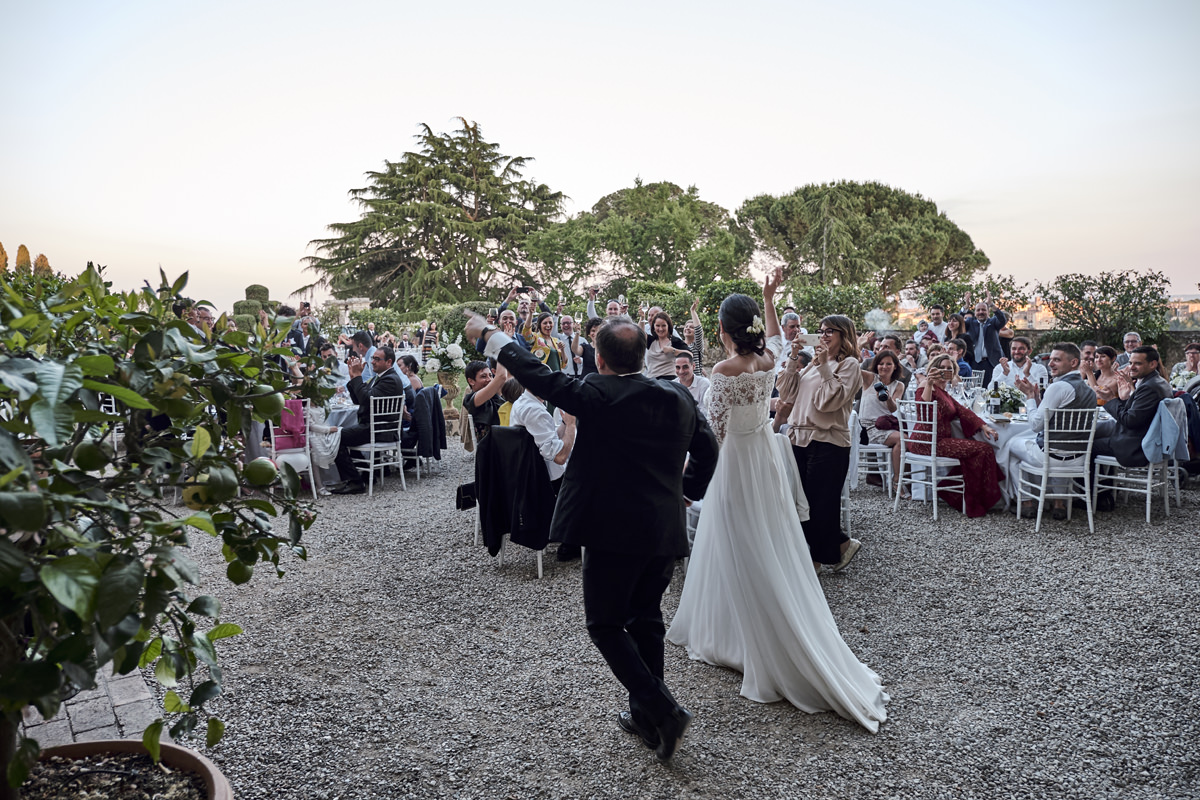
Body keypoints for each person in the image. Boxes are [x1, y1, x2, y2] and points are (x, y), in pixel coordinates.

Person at [464, 310, 719, 762]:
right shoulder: (677, 396)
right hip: (662, 528)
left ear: (599, 359)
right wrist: (689, 491)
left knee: (604, 624)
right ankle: (645, 716)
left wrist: (490, 334)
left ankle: (662, 709)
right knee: (645, 618)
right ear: (641, 355)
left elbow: (536, 374)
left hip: (610, 531)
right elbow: (708, 447)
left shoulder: (595, 393)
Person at [665, 268, 888, 733]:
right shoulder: (767, 360)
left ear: (723, 329)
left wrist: (696, 468)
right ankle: (739, 623)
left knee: (733, 537)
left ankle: (745, 634)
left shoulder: (722, 370)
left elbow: (716, 430)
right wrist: (771, 295)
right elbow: (771, 338)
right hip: (764, 455)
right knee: (762, 534)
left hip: (737, 459)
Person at [775, 314, 863, 571]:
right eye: (820, 331)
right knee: (801, 503)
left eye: (829, 331)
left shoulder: (850, 365)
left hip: (828, 440)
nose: (823, 336)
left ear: (843, 335)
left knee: (820, 504)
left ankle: (816, 561)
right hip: (798, 438)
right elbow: (787, 391)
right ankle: (840, 546)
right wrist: (793, 357)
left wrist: (825, 365)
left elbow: (830, 402)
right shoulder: (812, 364)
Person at [1009, 343, 1097, 519]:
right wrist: (1038, 398)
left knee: (1011, 445)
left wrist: (1029, 398)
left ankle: (1026, 501)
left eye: (1057, 360)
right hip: (1079, 458)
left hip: (1053, 458)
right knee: (1055, 445)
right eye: (1050, 359)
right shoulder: (1088, 389)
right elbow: (1054, 415)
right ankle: (1059, 502)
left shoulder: (1058, 387)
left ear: (1073, 363)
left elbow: (1035, 425)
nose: (1050, 364)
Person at [910, 354, 1002, 517]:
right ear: (933, 369)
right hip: (928, 441)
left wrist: (984, 426)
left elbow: (962, 410)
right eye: (942, 367)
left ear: (954, 372)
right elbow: (923, 411)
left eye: (949, 368)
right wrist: (929, 383)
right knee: (983, 450)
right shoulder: (926, 385)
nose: (945, 371)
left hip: (940, 439)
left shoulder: (944, 391)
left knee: (981, 451)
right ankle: (965, 497)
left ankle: (956, 491)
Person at [329, 347, 406, 495]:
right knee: (342, 435)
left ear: (389, 362)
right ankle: (363, 475)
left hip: (381, 430)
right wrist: (353, 378)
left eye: (377, 359)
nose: (372, 362)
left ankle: (355, 481)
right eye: (372, 358)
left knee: (336, 436)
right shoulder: (381, 377)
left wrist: (358, 376)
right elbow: (360, 399)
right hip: (374, 428)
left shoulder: (389, 379)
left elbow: (366, 399)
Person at [1092, 345, 1172, 473]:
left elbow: (1130, 421)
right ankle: (1108, 490)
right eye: (1130, 363)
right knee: (1101, 438)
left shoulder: (1149, 387)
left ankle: (1096, 492)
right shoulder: (1159, 382)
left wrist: (1111, 399)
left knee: (1090, 445)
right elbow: (1138, 412)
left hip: (1137, 448)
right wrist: (1125, 398)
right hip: (1148, 441)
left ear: (1153, 364)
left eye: (1138, 363)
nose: (1131, 367)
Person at [859, 351, 906, 494]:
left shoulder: (899, 385)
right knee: (901, 439)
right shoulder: (870, 379)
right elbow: (853, 368)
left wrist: (887, 398)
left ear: (895, 367)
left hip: (885, 425)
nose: (884, 367)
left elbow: (893, 409)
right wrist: (858, 347)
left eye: (888, 364)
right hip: (867, 428)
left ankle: (900, 480)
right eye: (881, 363)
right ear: (876, 365)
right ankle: (897, 481)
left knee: (906, 438)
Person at [961, 291, 1007, 385]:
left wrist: (991, 304)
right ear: (974, 312)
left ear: (988, 312)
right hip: (973, 363)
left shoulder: (993, 322)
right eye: (978, 310)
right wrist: (966, 306)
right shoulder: (970, 322)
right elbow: (957, 321)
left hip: (990, 363)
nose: (981, 312)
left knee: (990, 389)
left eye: (983, 310)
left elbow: (1002, 319)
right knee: (972, 389)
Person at [462, 360, 507, 444]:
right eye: (483, 376)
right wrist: (501, 350)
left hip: (505, 440)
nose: (489, 379)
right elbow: (501, 376)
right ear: (471, 381)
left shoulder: (496, 394)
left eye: (490, 375)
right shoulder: (473, 399)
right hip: (490, 448)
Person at [644, 311, 689, 380]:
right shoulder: (651, 340)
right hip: (652, 381)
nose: (661, 329)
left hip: (669, 381)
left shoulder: (674, 341)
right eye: (658, 326)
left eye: (663, 325)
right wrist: (641, 317)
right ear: (653, 326)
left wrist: (673, 350)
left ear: (668, 326)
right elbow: (639, 333)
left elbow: (690, 354)